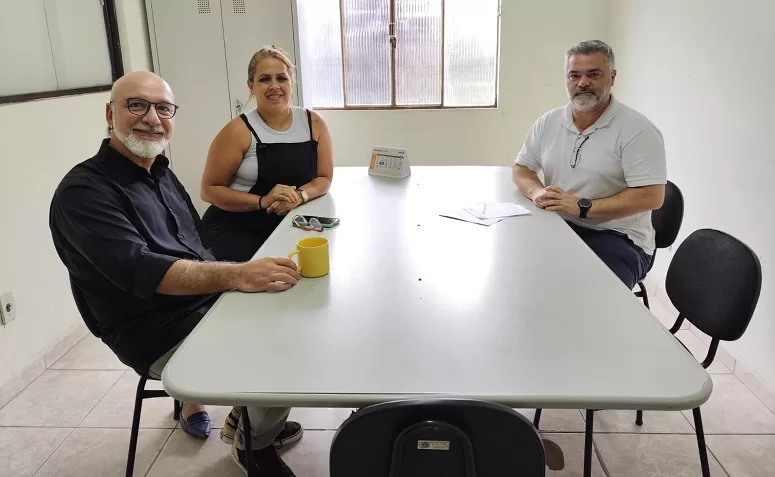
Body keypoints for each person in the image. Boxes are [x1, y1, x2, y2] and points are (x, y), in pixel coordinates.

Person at [50, 71, 303, 477]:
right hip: (154, 330)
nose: (152, 118)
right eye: (137, 105)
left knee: (296, 316)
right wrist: (238, 275)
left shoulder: (161, 173)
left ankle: (253, 414)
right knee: (284, 355)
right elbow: (148, 272)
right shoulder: (84, 193)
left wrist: (244, 279)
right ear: (110, 115)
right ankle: (253, 444)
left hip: (203, 304)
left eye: (163, 108)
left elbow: (196, 245)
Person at [513, 40, 667, 289]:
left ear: (612, 77)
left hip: (618, 237)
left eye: (593, 74)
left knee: (590, 296)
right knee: (518, 272)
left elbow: (652, 196)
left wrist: (582, 207)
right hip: (559, 224)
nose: (582, 83)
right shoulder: (549, 121)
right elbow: (522, 169)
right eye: (574, 75)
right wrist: (536, 192)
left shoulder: (638, 130)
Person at [200, 46, 334, 262]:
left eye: (281, 78)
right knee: (270, 276)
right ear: (251, 86)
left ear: (291, 82)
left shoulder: (313, 123)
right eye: (264, 79)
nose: (274, 86)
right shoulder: (238, 131)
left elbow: (324, 178)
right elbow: (209, 190)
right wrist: (263, 201)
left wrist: (300, 196)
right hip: (235, 228)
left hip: (287, 224)